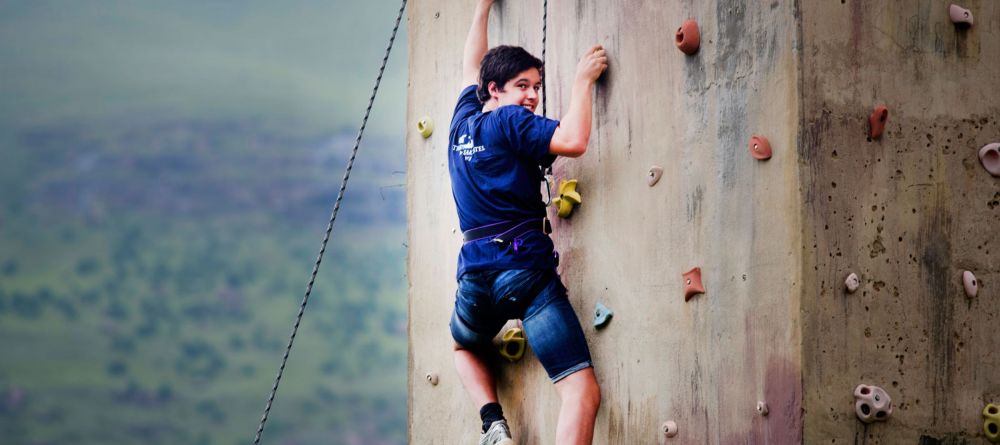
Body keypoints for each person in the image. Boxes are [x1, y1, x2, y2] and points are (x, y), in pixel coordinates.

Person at [446, 1, 608, 444]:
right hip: (525, 273)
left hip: (475, 279)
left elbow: (470, 67)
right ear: (494, 90)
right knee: (580, 391)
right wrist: (582, 81)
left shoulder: (461, 125)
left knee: (464, 345)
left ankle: (492, 424)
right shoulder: (510, 120)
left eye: (537, 86)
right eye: (523, 86)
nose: (533, 96)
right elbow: (573, 140)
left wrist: (481, 9)